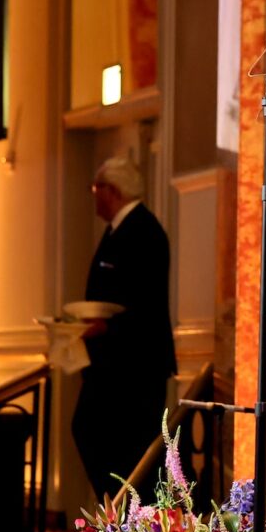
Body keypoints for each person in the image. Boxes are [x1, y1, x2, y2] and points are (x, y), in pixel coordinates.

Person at [71, 157, 177, 501]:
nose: (93, 196)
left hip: (133, 367)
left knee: (126, 446)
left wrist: (106, 327)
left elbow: (146, 304)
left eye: (95, 188)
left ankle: (126, 513)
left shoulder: (144, 230)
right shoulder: (117, 228)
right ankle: (117, 509)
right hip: (112, 366)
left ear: (111, 190)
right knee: (92, 433)